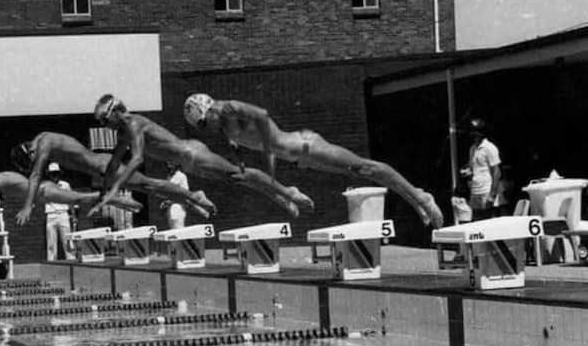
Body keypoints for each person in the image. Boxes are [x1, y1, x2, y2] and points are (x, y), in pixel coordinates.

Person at [181, 94, 445, 228]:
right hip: (300, 159)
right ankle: (416, 197)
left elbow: (262, 115)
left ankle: (421, 198)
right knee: (360, 173)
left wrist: (272, 143)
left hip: (307, 146)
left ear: (209, 109)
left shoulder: (228, 109)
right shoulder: (225, 128)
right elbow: (238, 148)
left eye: (204, 123)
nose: (207, 129)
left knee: (367, 167)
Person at [89, 94, 314, 219]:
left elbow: (137, 159)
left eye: (104, 120)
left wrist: (115, 189)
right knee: (238, 180)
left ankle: (287, 192)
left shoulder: (133, 123)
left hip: (192, 154)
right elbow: (113, 164)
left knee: (239, 174)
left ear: (116, 112)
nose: (103, 125)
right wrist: (102, 193)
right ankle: (279, 196)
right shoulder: (122, 133)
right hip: (188, 163)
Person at [11, 132, 217, 226]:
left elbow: (36, 175)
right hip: (102, 172)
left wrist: (28, 206)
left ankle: (194, 195)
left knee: (149, 184)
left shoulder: (45, 142)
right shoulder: (45, 144)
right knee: (150, 189)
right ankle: (191, 200)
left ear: (30, 152)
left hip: (105, 166)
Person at [0, 170, 142, 257]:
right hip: (41, 195)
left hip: (44, 192)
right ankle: (115, 200)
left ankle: (115, 199)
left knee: (80, 198)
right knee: (80, 199)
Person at [461, 118, 501, 222]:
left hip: (486, 189)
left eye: (475, 132)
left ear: (481, 133)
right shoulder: (472, 149)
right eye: (472, 132)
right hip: (475, 189)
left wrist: (492, 195)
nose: (473, 135)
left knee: (489, 220)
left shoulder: (490, 148)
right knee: (476, 220)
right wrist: (467, 171)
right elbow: (472, 167)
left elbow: (496, 172)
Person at [44, 162, 74, 261]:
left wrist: (73, 214)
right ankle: (51, 262)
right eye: (52, 174)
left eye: (56, 173)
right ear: (49, 175)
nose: (54, 176)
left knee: (68, 241)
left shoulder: (65, 185)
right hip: (51, 215)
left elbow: (70, 199)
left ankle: (71, 260)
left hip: (63, 214)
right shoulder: (45, 186)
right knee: (51, 243)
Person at [162, 162, 189, 229]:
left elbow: (185, 194)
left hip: (177, 207)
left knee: (178, 230)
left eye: (172, 162)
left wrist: (171, 201)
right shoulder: (169, 177)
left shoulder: (181, 176)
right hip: (170, 208)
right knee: (172, 230)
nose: (169, 163)